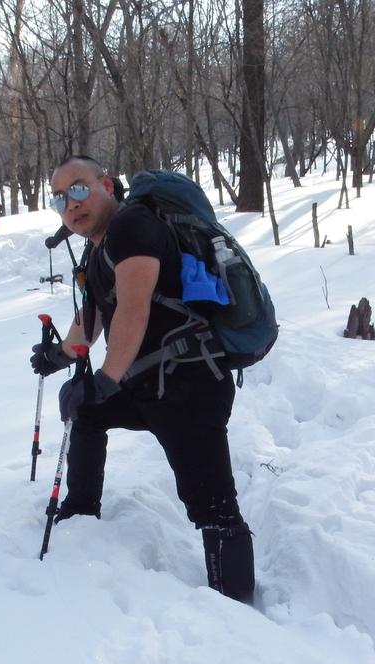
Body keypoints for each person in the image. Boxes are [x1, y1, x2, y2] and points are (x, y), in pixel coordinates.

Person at [30, 156, 255, 604]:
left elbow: (134, 311)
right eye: (59, 198)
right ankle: (80, 517)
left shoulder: (133, 228)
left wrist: (105, 380)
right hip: (147, 383)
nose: (70, 204)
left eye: (79, 189)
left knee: (212, 506)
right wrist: (59, 356)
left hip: (188, 384)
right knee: (86, 411)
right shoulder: (99, 248)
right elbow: (93, 318)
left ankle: (238, 608)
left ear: (106, 185)